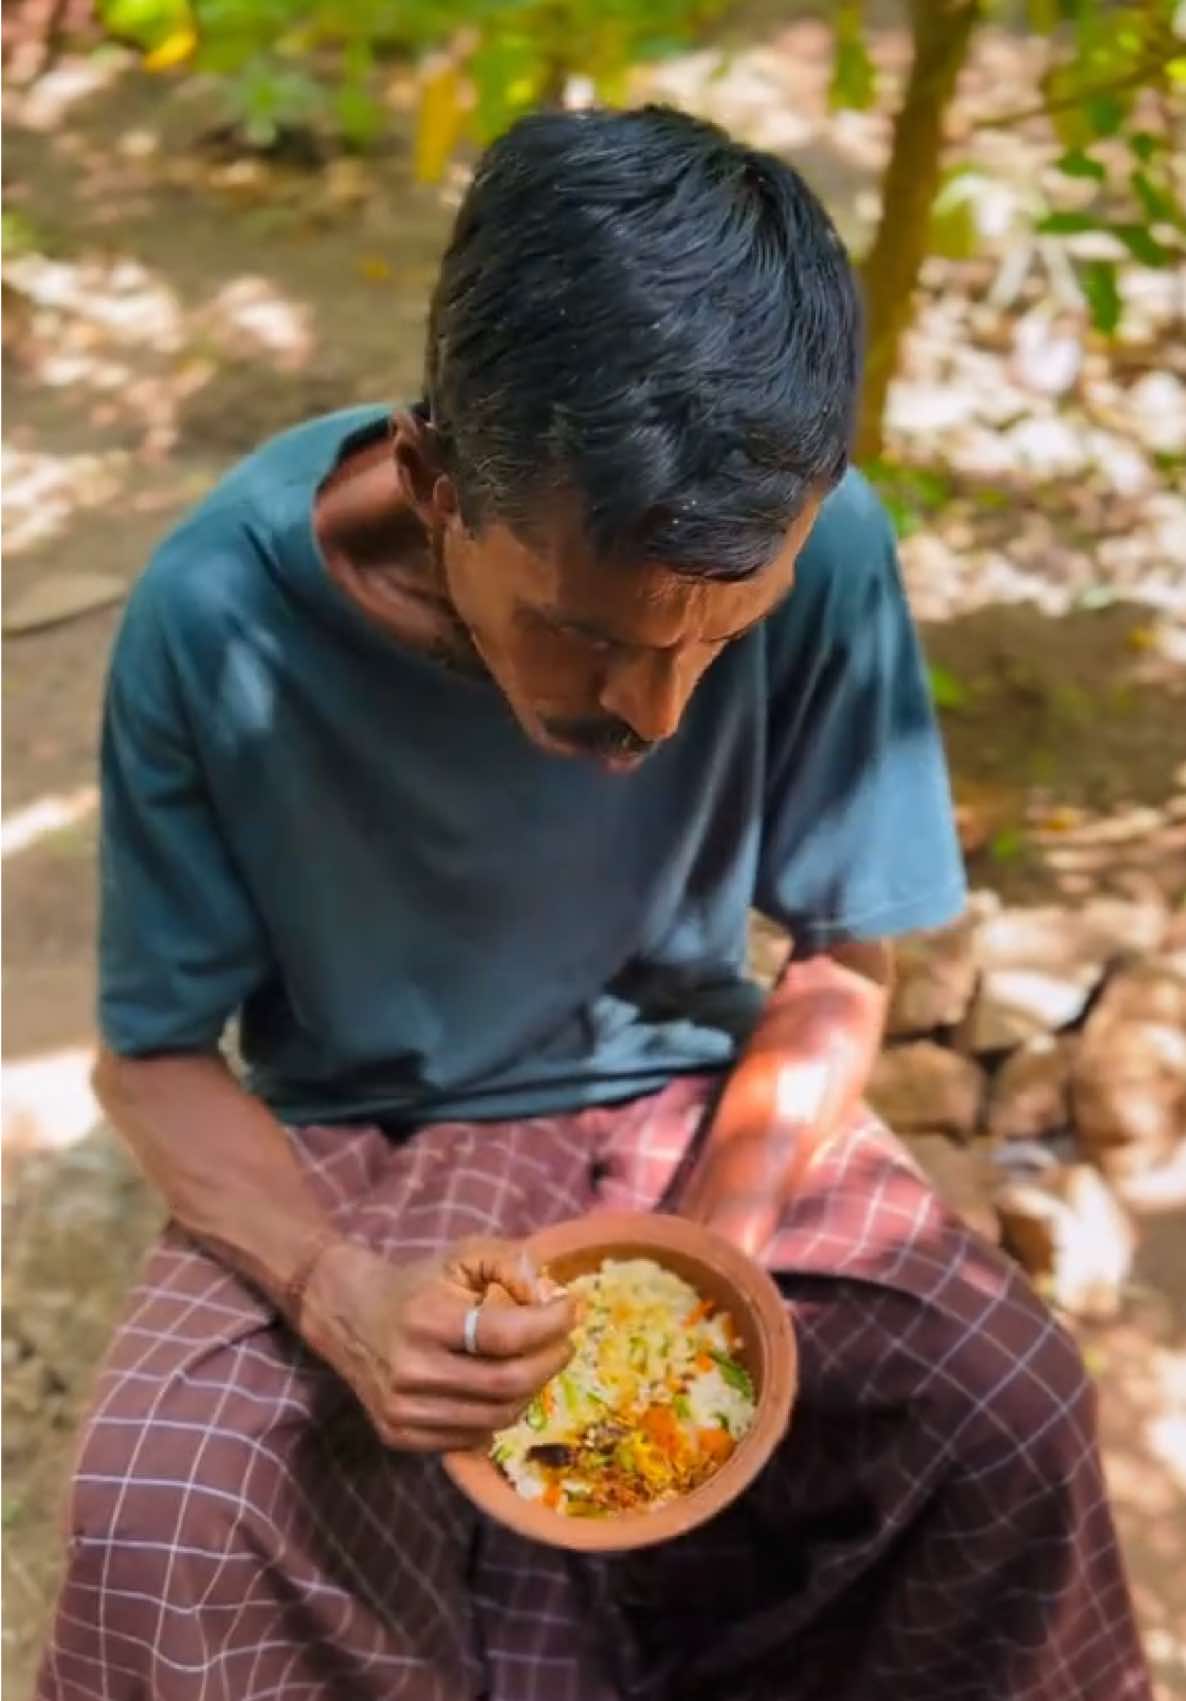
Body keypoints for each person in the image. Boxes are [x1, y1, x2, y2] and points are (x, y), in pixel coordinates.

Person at [38, 105, 1148, 1701]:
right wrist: (342, 1298)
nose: (658, 712)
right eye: (584, 632)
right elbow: (152, 1058)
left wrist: (708, 1256)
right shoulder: (215, 617)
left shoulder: (815, 543)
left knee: (1006, 1404)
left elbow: (843, 959)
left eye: (721, 636)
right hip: (363, 1138)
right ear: (431, 479)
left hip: (698, 1112)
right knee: (163, 1513)